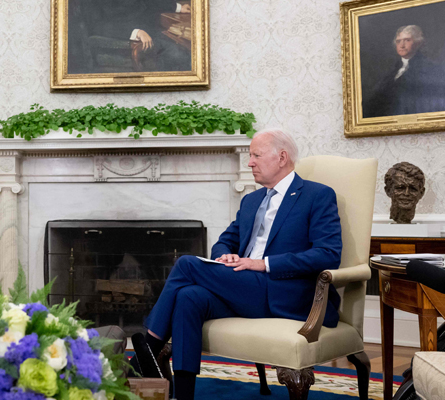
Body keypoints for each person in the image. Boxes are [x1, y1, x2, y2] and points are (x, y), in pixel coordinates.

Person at [137, 129, 343, 400]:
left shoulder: (317, 195)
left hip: (283, 292)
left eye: (256, 155)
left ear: (281, 157)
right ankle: (183, 396)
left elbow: (328, 254)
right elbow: (224, 241)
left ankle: (146, 354)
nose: (250, 163)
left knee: (187, 264)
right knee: (189, 297)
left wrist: (264, 264)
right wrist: (226, 255)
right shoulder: (251, 200)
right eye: (249, 156)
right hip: (244, 288)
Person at [85, 0, 192, 71]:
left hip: (151, 32)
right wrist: (136, 32)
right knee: (179, 54)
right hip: (126, 41)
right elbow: (97, 25)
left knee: (185, 48)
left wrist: (178, 7)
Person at [363, 25, 445, 118]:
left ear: (418, 43)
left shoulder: (429, 68)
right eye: (398, 41)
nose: (402, 45)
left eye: (407, 40)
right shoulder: (392, 70)